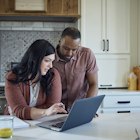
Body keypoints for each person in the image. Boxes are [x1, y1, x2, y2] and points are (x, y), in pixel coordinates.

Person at [4, 39, 67, 120]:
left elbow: (53, 107)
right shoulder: (13, 77)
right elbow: (19, 110)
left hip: (42, 122)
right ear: (35, 59)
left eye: (52, 61)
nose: (51, 66)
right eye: (47, 61)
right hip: (15, 123)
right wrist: (45, 112)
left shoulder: (53, 75)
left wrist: (24, 111)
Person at [53, 27, 98, 112]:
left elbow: (93, 84)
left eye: (74, 50)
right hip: (57, 110)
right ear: (59, 42)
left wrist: (88, 108)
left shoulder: (87, 55)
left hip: (80, 109)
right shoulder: (50, 58)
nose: (69, 53)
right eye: (66, 48)